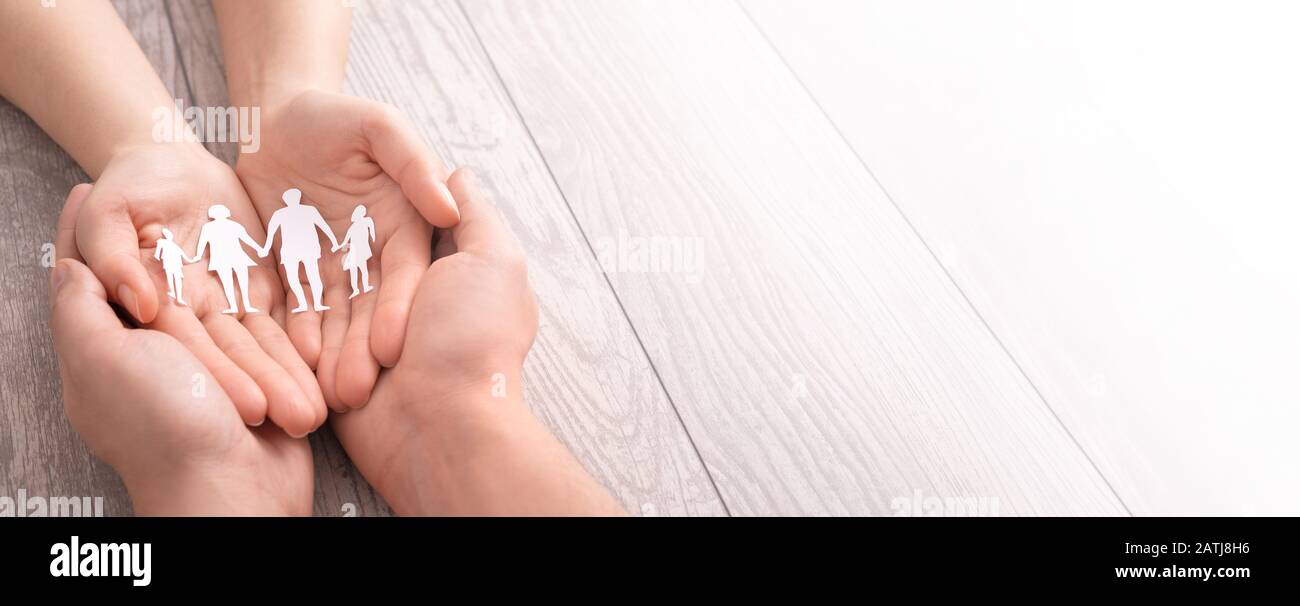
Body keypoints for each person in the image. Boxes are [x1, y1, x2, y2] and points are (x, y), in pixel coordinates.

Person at [48, 170, 625, 516]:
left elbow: (291, 235)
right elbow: (270, 235)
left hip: (294, 264)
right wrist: (458, 406)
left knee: (300, 285)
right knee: (292, 284)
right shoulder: (229, 228)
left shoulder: (299, 224)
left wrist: (207, 483)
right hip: (249, 264)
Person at [261, 188, 340, 313]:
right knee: (308, 276)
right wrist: (334, 242)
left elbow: (271, 233)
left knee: (301, 277)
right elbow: (271, 232)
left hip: (299, 249)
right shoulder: (305, 211)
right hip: (299, 249)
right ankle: (311, 304)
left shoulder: (282, 213)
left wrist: (265, 248)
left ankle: (311, 303)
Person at [195, 204, 262, 314]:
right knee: (240, 281)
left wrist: (198, 256)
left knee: (230, 282)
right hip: (231, 257)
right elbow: (247, 239)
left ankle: (240, 305)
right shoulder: (232, 225)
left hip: (226, 257)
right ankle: (243, 305)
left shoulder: (210, 227)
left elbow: (246, 238)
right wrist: (259, 249)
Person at [335, 205, 377, 299]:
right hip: (354, 251)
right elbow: (345, 241)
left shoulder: (367, 220)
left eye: (363, 211)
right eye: (361, 211)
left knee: (363, 269)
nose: (363, 213)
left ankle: (365, 286)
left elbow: (372, 229)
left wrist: (373, 236)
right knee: (353, 271)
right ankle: (355, 290)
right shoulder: (352, 227)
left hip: (361, 249)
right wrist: (338, 246)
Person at [152, 228, 198, 306]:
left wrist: (193, 260)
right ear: (165, 235)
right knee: (170, 277)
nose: (169, 235)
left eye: (169, 233)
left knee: (178, 279)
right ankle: (172, 292)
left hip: (177, 264)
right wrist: (157, 256)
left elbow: (185, 257)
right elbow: (157, 252)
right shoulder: (162, 242)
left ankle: (179, 298)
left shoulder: (175, 246)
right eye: (166, 233)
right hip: (168, 262)